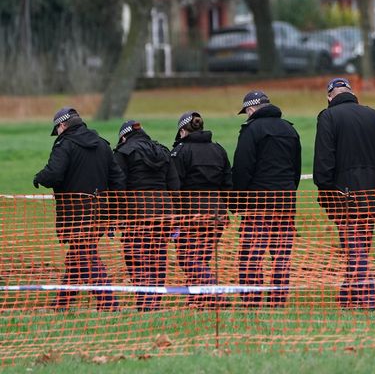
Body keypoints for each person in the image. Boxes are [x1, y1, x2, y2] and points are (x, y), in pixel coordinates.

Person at [313, 77, 375, 310]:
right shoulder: (373, 115)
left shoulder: (327, 117)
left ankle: (367, 298)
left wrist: (324, 189)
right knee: (359, 247)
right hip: (372, 194)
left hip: (343, 195)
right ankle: (347, 297)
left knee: (354, 248)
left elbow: (324, 159)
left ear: (330, 96)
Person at [34, 107, 125, 311]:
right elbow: (118, 180)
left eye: (57, 129)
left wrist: (39, 177)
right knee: (78, 256)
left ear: (62, 125)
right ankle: (61, 304)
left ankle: (110, 304)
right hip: (100, 212)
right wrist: (113, 209)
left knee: (85, 256)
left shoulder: (65, 145)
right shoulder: (102, 145)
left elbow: (54, 174)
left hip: (75, 213)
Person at [232, 91, 301, 307]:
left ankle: (252, 299)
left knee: (252, 253)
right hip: (285, 202)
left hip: (258, 203)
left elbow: (243, 169)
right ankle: (278, 299)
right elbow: (296, 169)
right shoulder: (290, 129)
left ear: (251, 109)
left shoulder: (251, 130)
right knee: (281, 255)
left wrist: (238, 202)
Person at [114, 120, 180, 311]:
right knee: (158, 255)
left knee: (135, 256)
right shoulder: (163, 151)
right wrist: (173, 215)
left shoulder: (123, 152)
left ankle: (144, 300)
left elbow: (119, 186)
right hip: (163, 212)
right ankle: (155, 301)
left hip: (136, 213)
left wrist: (117, 214)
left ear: (124, 136)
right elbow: (174, 187)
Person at [170, 111, 232, 308]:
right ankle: (198, 299)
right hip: (217, 213)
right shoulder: (218, 149)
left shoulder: (180, 151)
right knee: (201, 257)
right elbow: (228, 185)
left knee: (187, 259)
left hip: (192, 214)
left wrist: (175, 214)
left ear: (182, 131)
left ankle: (216, 293)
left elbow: (174, 186)